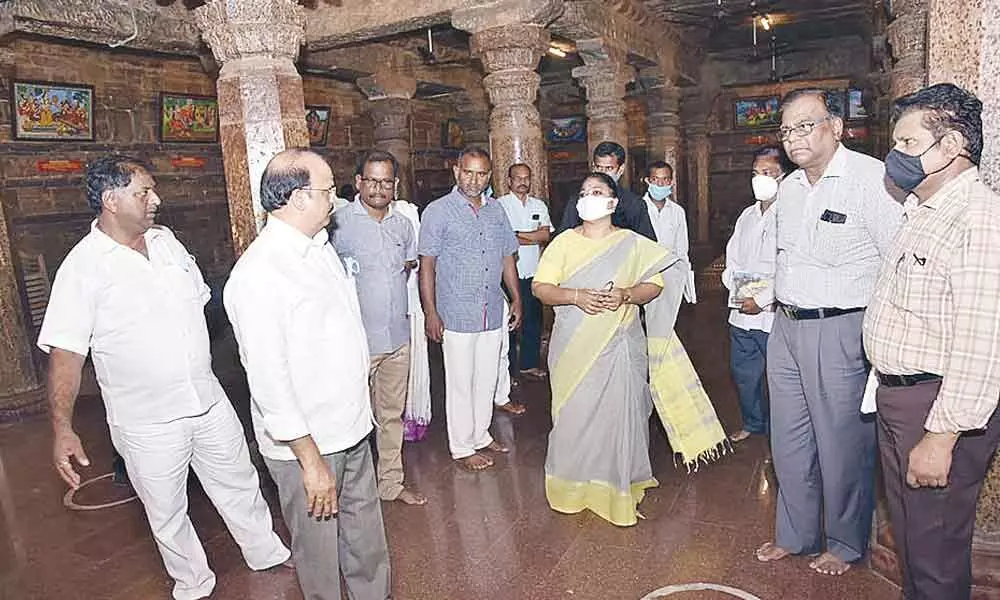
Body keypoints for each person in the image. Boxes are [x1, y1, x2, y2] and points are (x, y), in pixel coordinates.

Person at [39, 154, 290, 600]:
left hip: (206, 399)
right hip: (147, 420)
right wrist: (62, 428)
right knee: (167, 509)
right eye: (144, 193)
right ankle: (192, 581)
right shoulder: (83, 268)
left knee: (238, 482)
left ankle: (265, 551)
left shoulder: (167, 242)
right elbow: (65, 355)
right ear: (111, 200)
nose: (156, 199)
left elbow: (198, 306)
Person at [224, 149, 391, 600]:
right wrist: (310, 461)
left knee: (365, 541)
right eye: (327, 190)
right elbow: (268, 379)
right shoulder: (259, 274)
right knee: (319, 558)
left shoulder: (319, 250)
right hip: (308, 445)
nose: (334, 199)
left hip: (350, 428)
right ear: (298, 198)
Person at [756, 88, 904, 576]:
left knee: (842, 443)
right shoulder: (791, 188)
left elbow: (897, 263)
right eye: (785, 130)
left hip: (841, 329)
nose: (793, 137)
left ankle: (845, 541)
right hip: (787, 326)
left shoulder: (870, 179)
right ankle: (794, 534)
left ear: (836, 127)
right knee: (789, 439)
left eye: (805, 125)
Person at [863, 83, 1000, 600]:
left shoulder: (980, 217)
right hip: (902, 398)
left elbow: (983, 339)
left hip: (936, 405)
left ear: (951, 146)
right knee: (916, 542)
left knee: (937, 550)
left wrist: (943, 435)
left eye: (907, 142)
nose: (895, 155)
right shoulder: (924, 210)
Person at [534, 172, 727, 527]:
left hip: (620, 344)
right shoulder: (562, 243)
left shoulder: (633, 243)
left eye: (597, 192)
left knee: (619, 415)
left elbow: (654, 284)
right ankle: (572, 487)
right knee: (572, 416)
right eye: (583, 192)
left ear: (613, 202)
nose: (588, 197)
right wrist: (575, 297)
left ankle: (614, 488)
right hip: (572, 345)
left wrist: (625, 295)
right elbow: (541, 287)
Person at [418, 146, 523, 471]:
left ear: (489, 176)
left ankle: (480, 434)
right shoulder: (438, 211)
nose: (474, 180)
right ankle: (462, 447)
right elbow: (427, 265)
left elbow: (508, 256)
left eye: (481, 174)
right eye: (468, 172)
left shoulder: (496, 211)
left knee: (487, 378)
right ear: (456, 171)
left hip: (492, 309)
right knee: (461, 382)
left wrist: (516, 297)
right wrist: (431, 312)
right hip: (456, 313)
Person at [331, 149, 426, 506]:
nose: (378, 188)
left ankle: (390, 484)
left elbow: (406, 268)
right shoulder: (337, 224)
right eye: (371, 180)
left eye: (386, 182)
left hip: (397, 338)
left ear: (395, 186)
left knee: (391, 416)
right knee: (349, 418)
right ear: (358, 183)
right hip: (356, 341)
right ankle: (351, 493)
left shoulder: (403, 225)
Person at [722, 146, 793, 443]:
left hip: (773, 314)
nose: (759, 179)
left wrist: (762, 300)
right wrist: (741, 295)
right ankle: (753, 423)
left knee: (780, 378)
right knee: (745, 374)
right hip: (741, 310)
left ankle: (784, 432)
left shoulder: (790, 213)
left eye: (768, 173)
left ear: (783, 175)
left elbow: (789, 266)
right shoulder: (747, 215)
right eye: (756, 173)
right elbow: (733, 258)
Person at [497, 163, 551, 384]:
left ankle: (528, 365)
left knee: (533, 321)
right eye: (517, 177)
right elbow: (503, 238)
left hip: (533, 273)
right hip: (507, 275)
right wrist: (531, 235)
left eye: (526, 177)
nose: (522, 181)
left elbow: (545, 236)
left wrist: (517, 234)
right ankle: (508, 373)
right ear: (509, 181)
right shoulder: (499, 205)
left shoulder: (538, 205)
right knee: (509, 324)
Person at [392, 196, 432, 444]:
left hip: (410, 297)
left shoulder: (408, 212)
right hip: (379, 308)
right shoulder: (350, 218)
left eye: (389, 182)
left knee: (414, 359)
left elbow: (418, 257)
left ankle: (414, 416)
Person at [556, 141, 656, 241]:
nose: (603, 173)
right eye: (599, 167)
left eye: (609, 168)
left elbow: (648, 244)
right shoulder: (579, 200)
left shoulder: (633, 203)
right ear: (593, 167)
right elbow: (564, 238)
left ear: (621, 169)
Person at [642, 161, 696, 304]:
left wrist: (685, 281)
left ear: (671, 182)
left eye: (665, 179)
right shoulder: (637, 209)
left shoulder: (677, 211)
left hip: (670, 274)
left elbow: (682, 249)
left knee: (667, 320)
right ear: (647, 181)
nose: (660, 184)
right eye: (655, 179)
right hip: (644, 276)